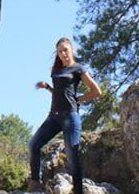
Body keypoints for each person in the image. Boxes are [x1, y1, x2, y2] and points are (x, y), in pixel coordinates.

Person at [27, 37, 102, 194]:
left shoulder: (78, 68)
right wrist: (47, 87)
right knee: (33, 145)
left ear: (71, 49)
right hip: (53, 117)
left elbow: (96, 91)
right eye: (60, 51)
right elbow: (60, 94)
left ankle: (78, 191)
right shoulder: (56, 71)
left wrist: (79, 99)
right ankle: (35, 183)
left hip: (70, 117)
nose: (63, 54)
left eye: (65, 50)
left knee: (72, 156)